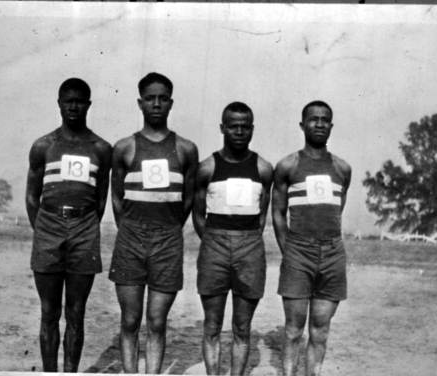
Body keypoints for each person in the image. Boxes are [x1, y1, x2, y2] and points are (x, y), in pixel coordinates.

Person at [109, 72, 198, 374]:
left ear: (171, 103)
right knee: (130, 320)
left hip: (168, 240)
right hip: (131, 239)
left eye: (162, 99)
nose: (156, 104)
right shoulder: (124, 147)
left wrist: (169, 227)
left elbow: (187, 200)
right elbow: (117, 199)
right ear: (140, 103)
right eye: (150, 99)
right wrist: (133, 228)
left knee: (157, 321)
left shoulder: (186, 149)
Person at [25, 78, 112, 372]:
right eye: (68, 101)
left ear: (88, 104)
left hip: (84, 230)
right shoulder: (43, 146)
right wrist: (45, 229)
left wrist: (81, 225)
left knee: (76, 312)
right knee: (49, 312)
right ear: (59, 103)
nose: (73, 106)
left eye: (79, 101)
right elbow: (31, 195)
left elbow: (100, 199)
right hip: (48, 227)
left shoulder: (101, 148)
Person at [272, 100, 352, 376]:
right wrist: (290, 251)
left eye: (324, 119)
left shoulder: (342, 169)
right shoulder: (288, 166)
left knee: (320, 329)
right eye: (313, 119)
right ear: (302, 125)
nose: (319, 124)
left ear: (331, 125)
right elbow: (279, 214)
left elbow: (335, 211)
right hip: (298, 252)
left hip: (332, 253)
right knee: (294, 329)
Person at [193, 102, 273, 375]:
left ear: (252, 129)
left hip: (250, 246)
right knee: (212, 324)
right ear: (222, 128)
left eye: (245, 126)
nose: (239, 131)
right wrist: (215, 241)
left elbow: (263, 213)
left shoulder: (263, 168)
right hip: (214, 245)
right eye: (233, 126)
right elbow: (198, 214)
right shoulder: (207, 167)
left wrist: (245, 240)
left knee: (242, 326)